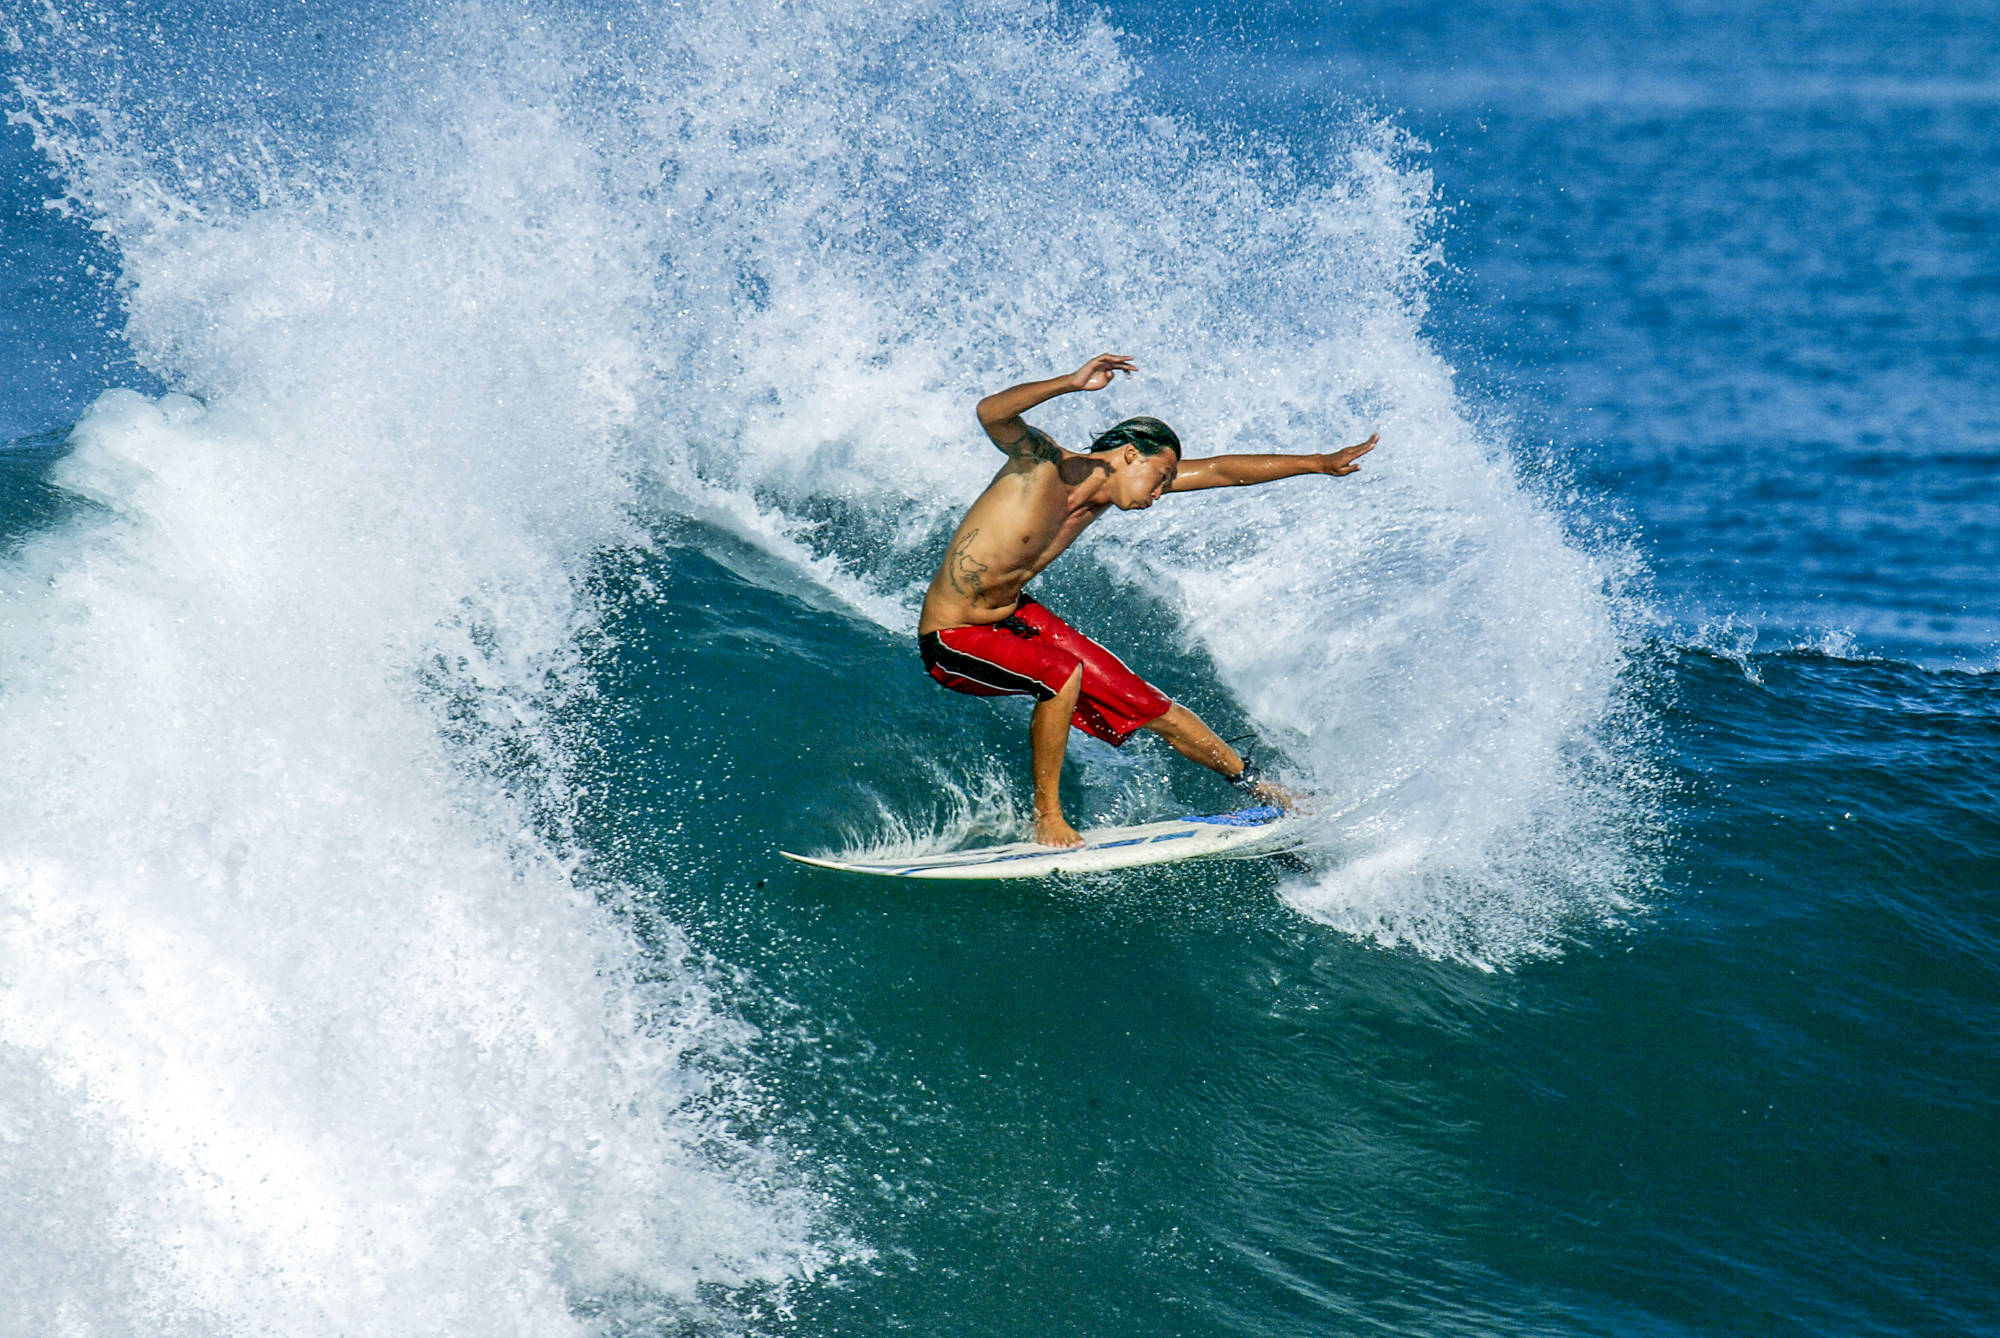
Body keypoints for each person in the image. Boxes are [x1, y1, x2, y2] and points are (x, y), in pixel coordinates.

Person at [918, 353, 1378, 847]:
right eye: (1161, 477)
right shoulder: (1043, 465)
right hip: (954, 632)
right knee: (1060, 672)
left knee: (1149, 703)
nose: (1161, 492)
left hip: (1011, 616)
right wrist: (1070, 383)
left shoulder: (1105, 495)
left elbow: (1222, 470)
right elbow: (992, 412)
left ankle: (1261, 788)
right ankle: (1046, 817)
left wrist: (1317, 464)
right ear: (1130, 455)